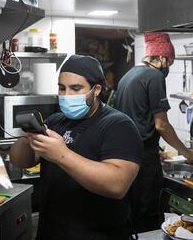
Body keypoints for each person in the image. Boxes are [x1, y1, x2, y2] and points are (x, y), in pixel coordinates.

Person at [10, 55, 143, 240]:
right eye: (62, 88)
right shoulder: (55, 121)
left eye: (76, 88)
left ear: (96, 90)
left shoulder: (118, 125)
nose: (66, 95)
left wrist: (61, 155)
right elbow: (20, 161)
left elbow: (117, 185)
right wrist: (28, 138)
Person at [115, 32, 193, 232]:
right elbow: (161, 125)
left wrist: (154, 147)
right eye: (170, 63)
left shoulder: (128, 75)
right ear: (162, 57)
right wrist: (186, 152)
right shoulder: (154, 76)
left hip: (126, 156)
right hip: (144, 162)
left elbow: (135, 117)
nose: (168, 68)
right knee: (147, 215)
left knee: (131, 212)